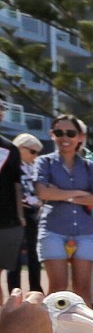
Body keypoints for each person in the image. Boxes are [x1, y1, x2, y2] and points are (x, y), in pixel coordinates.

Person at [31, 114, 93, 301]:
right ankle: (49, 331)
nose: (65, 138)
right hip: (53, 229)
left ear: (80, 137)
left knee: (83, 290)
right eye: (59, 132)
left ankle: (85, 330)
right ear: (52, 135)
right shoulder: (44, 162)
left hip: (84, 231)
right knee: (57, 289)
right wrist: (81, 193)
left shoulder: (90, 166)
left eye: (70, 133)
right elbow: (43, 193)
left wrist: (63, 194)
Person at [11, 131, 41, 292]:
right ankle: (14, 291)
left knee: (34, 255)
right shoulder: (10, 165)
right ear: (21, 148)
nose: (35, 156)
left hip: (33, 215)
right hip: (14, 215)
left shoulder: (34, 166)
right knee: (13, 258)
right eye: (33, 151)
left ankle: (35, 290)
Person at [0, 98, 23, 288]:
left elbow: (17, 183)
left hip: (5, 221)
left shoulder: (9, 148)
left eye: (2, 108)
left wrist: (20, 217)